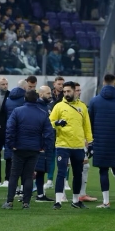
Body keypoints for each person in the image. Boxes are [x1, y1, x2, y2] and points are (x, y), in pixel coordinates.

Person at [2, 90, 54, 210]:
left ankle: (9, 202)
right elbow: (48, 133)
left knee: (14, 175)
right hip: (34, 148)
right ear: (37, 99)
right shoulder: (42, 113)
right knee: (28, 176)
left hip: (19, 147)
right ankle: (26, 203)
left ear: (24, 99)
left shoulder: (17, 111)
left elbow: (10, 129)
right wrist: (44, 147)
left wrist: (11, 144)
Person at [88, 74, 115, 209]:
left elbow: (89, 122)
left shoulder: (94, 101)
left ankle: (106, 201)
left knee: (103, 170)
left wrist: (91, 139)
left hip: (100, 140)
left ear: (103, 82)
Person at [49, 81, 93, 209]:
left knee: (78, 173)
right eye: (64, 91)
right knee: (61, 172)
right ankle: (58, 201)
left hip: (78, 145)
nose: (66, 93)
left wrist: (90, 143)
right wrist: (57, 123)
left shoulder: (83, 107)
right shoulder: (59, 106)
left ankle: (75, 200)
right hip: (62, 145)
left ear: (74, 91)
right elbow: (50, 122)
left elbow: (87, 126)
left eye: (69, 91)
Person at [4, 79, 28, 194]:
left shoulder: (8, 99)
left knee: (11, 162)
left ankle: (14, 187)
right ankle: (23, 188)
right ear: (24, 87)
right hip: (22, 133)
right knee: (23, 163)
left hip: (10, 131)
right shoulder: (23, 100)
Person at [33, 86, 56, 202]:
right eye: (48, 93)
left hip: (45, 142)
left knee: (41, 170)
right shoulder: (38, 107)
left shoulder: (45, 106)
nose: (50, 95)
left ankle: (41, 194)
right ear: (41, 94)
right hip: (39, 143)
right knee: (33, 170)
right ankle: (23, 194)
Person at [74, 82, 96, 202]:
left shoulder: (82, 106)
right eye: (77, 90)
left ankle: (82, 194)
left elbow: (86, 125)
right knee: (64, 168)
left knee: (85, 166)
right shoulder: (62, 105)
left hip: (81, 142)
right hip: (67, 142)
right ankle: (60, 194)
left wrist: (88, 139)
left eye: (79, 90)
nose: (79, 92)